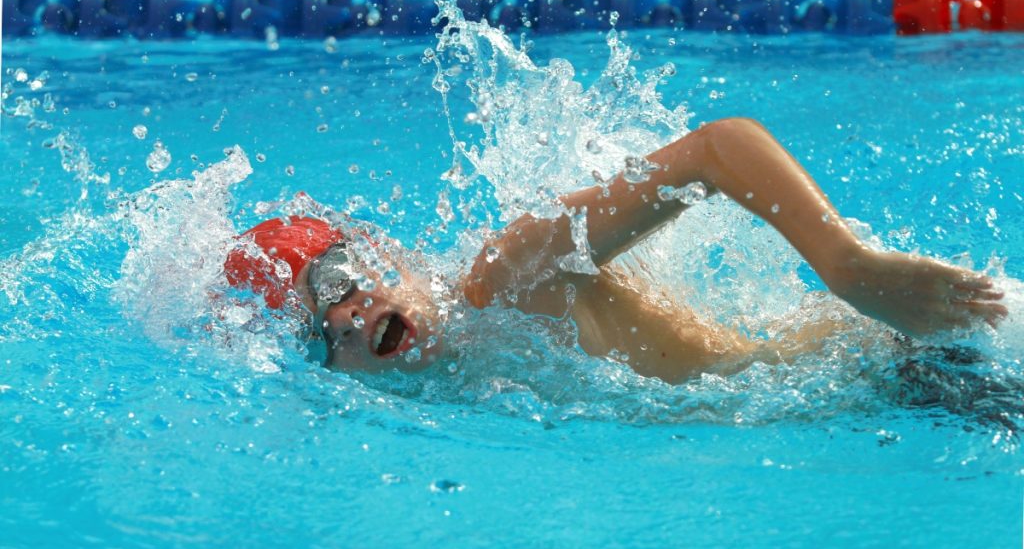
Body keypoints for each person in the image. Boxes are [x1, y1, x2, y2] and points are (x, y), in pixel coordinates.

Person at [224, 118, 1007, 383]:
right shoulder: (462, 382)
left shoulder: (503, 279)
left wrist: (850, 270)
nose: (356, 319)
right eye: (326, 330)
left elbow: (715, 149)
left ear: (384, 258)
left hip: (915, 356)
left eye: (344, 283)